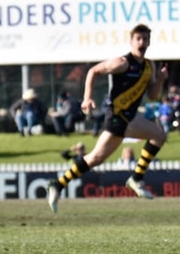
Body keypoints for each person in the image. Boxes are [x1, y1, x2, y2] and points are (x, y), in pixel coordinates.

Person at [47, 24, 168, 213]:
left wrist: (160, 80)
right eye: (139, 39)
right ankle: (58, 184)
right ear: (131, 42)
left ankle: (136, 179)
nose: (142, 42)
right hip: (117, 118)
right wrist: (87, 98)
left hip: (131, 118)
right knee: (95, 158)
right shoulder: (122, 62)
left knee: (159, 135)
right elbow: (93, 71)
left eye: (145, 39)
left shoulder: (149, 65)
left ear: (149, 41)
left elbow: (152, 95)